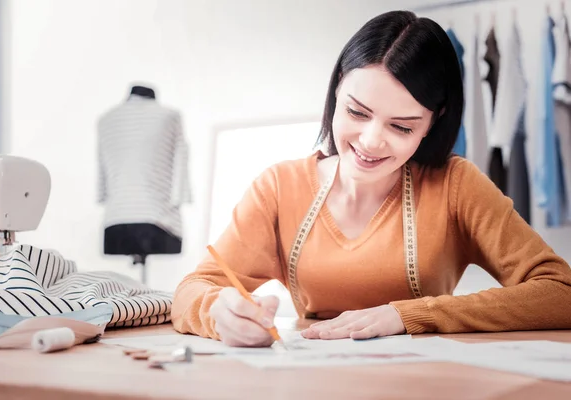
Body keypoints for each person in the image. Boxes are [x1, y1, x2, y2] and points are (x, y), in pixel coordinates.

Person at [170, 10, 571, 347]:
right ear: (337, 87)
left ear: (434, 122)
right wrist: (218, 312)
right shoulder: (279, 187)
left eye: (401, 127)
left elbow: (561, 293)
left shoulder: (455, 186)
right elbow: (192, 290)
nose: (371, 141)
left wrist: (410, 315)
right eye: (358, 113)